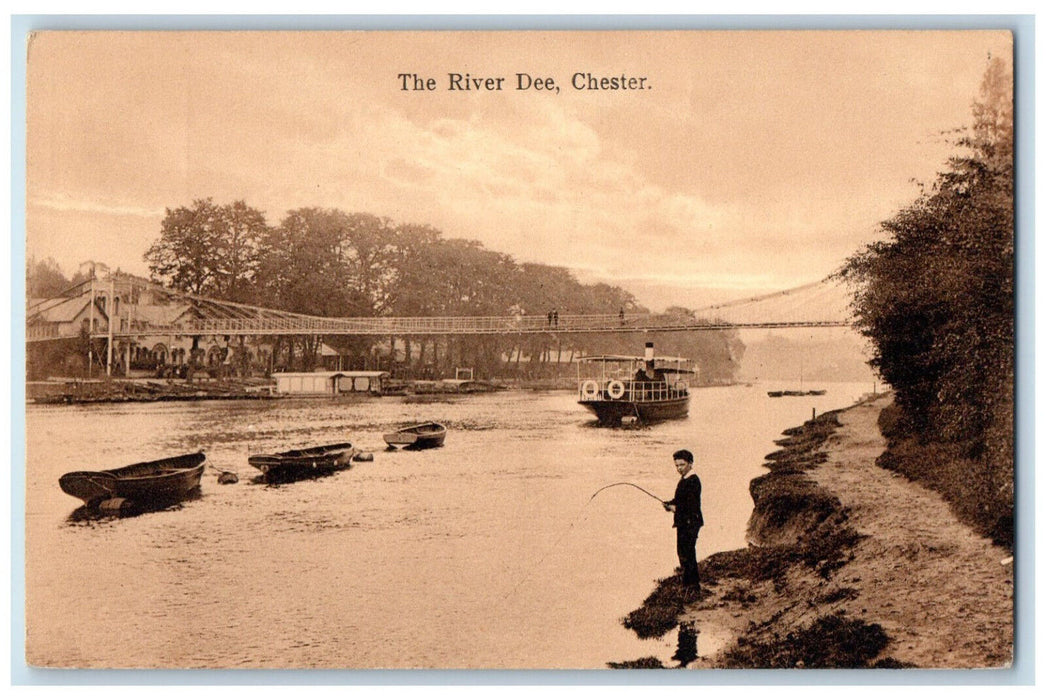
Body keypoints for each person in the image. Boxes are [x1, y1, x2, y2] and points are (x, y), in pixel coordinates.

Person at [663, 449, 703, 589]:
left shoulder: (693, 481)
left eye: (682, 465)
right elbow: (680, 500)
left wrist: (674, 508)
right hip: (685, 522)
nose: (679, 468)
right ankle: (691, 584)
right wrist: (670, 503)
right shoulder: (684, 480)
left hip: (690, 522)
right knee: (684, 552)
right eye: (677, 466)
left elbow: (690, 507)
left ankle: (691, 586)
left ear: (690, 463)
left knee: (687, 553)